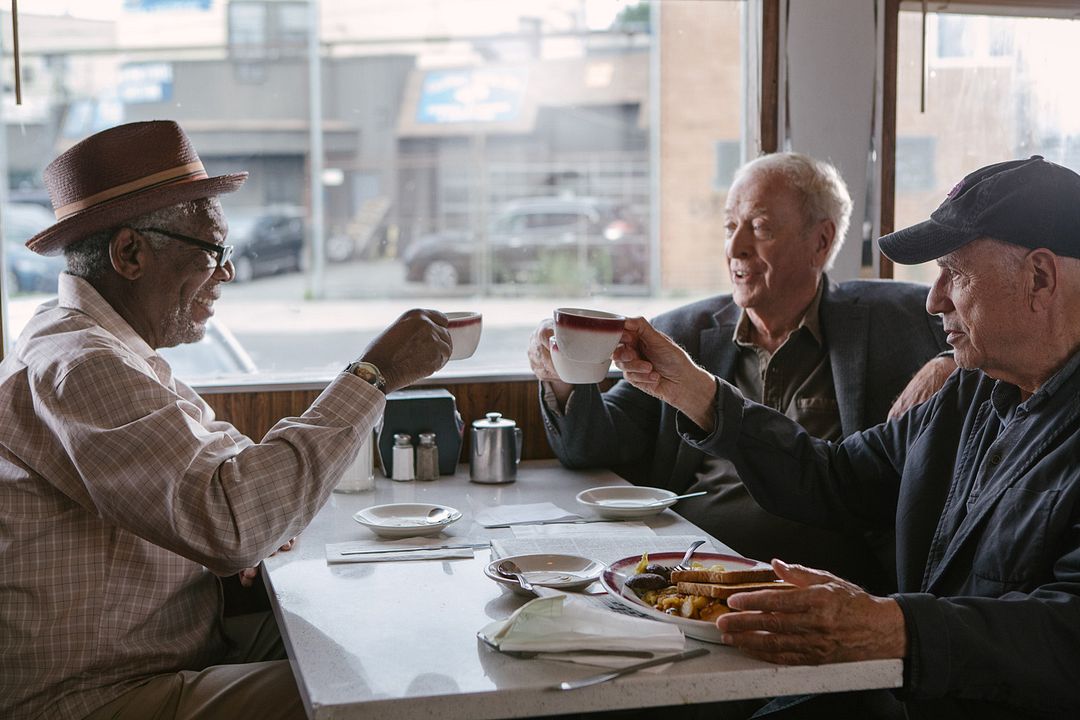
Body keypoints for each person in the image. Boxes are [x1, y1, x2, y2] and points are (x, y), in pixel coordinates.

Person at [0, 121, 452, 720]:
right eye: (212, 251)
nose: (228, 273)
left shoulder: (96, 344)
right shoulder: (83, 365)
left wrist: (257, 516)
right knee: (376, 695)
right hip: (99, 692)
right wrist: (373, 376)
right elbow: (232, 522)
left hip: (168, 649)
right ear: (130, 253)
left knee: (378, 639)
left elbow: (222, 468)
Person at [610, 155, 1080, 718]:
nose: (934, 300)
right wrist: (694, 391)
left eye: (955, 272)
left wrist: (894, 629)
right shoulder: (971, 391)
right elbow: (835, 479)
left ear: (1040, 278)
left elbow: (1064, 630)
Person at [528, 152, 951, 589]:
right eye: (731, 227)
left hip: (828, 582)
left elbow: (996, 339)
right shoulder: (684, 334)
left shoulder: (896, 319)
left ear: (821, 242)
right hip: (692, 572)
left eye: (761, 227)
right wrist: (561, 374)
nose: (735, 248)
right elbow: (591, 446)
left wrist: (948, 362)